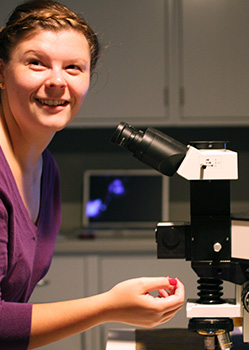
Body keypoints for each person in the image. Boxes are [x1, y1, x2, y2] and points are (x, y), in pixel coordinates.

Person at [0, 0, 185, 349]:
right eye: (36, 63)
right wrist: (108, 306)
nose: (56, 81)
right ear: (1, 73)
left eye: (73, 67)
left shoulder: (46, 169)